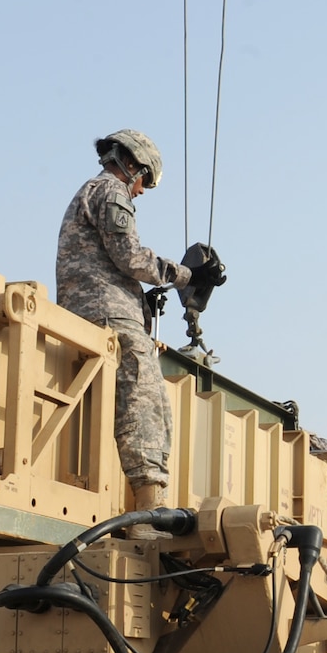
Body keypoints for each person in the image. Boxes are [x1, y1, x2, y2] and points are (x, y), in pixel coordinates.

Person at [56, 130, 223, 533]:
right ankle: (147, 509)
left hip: (100, 306)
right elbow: (129, 256)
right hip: (106, 312)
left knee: (142, 399)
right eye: (145, 181)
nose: (143, 191)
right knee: (144, 397)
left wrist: (141, 303)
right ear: (131, 165)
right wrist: (187, 275)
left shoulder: (91, 192)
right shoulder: (111, 192)